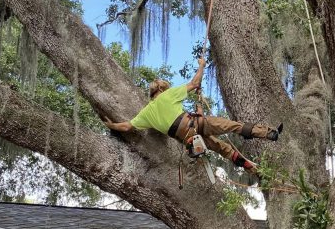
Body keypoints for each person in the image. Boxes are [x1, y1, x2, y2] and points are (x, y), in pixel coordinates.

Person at [103, 58, 282, 174]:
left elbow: (126, 127)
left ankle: (257, 173)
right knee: (232, 126)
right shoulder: (168, 94)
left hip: (189, 137)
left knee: (225, 150)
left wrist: (111, 125)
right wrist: (202, 65)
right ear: (162, 89)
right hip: (196, 125)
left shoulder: (146, 112)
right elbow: (195, 82)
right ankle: (269, 133)